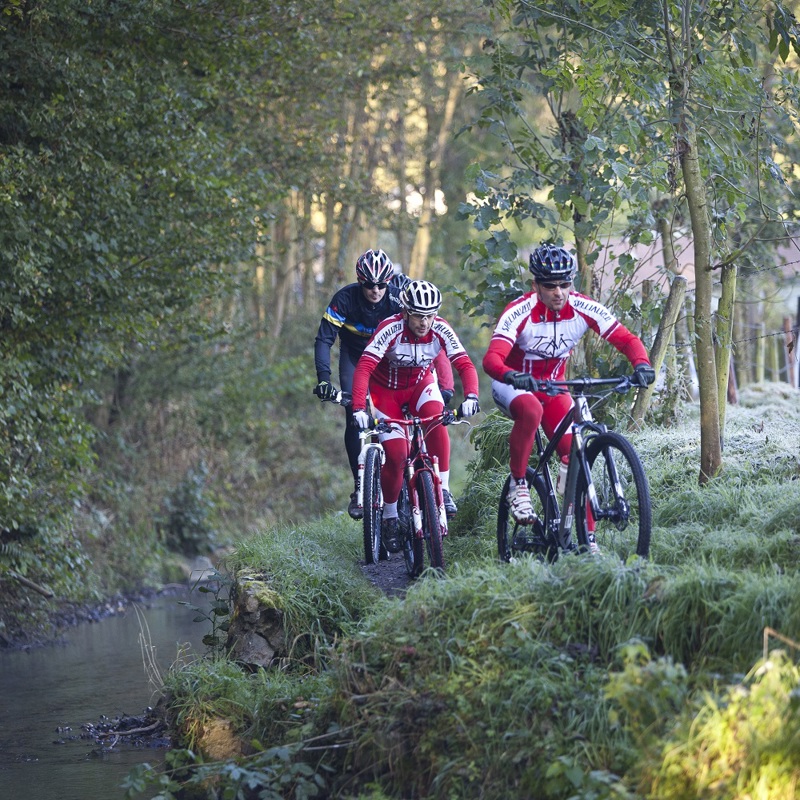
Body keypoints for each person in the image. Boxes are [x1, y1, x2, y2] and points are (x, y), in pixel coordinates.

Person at [482, 243, 655, 547]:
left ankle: (589, 542)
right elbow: (491, 360)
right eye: (550, 286)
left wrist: (641, 364)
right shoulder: (519, 312)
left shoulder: (583, 306)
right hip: (513, 384)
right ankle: (519, 484)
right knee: (531, 410)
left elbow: (626, 338)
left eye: (565, 284)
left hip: (555, 386)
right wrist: (513, 375)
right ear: (535, 285)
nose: (559, 292)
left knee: (578, 455)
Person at [314, 250, 454, 519]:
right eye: (368, 284)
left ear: (389, 282)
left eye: (381, 284)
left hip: (391, 364)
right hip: (356, 359)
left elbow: (434, 347)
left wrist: (445, 387)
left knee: (416, 411)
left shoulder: (397, 301)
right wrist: (323, 379)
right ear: (359, 281)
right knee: (355, 417)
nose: (375, 290)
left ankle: (413, 470)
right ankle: (359, 488)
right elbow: (324, 340)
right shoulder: (345, 299)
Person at [350, 279, 480, 553]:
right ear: (406, 312)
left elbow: (464, 363)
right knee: (396, 456)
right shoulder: (390, 329)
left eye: (430, 315)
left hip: (420, 385)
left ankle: (442, 489)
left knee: (437, 421)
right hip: (386, 392)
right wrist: (359, 409)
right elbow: (363, 367)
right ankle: (389, 516)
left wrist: (471, 396)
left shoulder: (441, 328)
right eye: (419, 315)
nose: (425, 322)